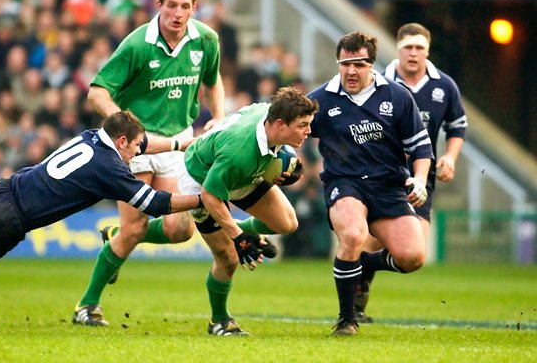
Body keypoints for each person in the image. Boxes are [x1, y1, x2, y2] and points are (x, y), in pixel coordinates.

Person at [73, 0, 225, 325]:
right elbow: (96, 93)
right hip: (136, 145)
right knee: (134, 228)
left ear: (193, 8)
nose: (178, 13)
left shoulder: (206, 39)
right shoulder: (138, 45)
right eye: (171, 5)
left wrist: (218, 116)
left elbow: (213, 82)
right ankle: (87, 305)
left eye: (185, 6)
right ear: (158, 5)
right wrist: (124, 127)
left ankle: (112, 236)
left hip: (179, 142)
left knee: (179, 230)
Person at [0, 110, 202, 293]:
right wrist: (200, 199)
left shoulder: (92, 135)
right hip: (4, 221)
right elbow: (154, 203)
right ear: (122, 141)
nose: (136, 153)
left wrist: (181, 144)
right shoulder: (109, 168)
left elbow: (144, 146)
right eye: (134, 146)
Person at [307, 31, 434, 336]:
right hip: (345, 182)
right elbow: (287, 129)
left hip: (388, 186)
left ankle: (366, 263)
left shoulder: (396, 95)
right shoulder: (320, 99)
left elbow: (421, 147)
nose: (351, 71)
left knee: (412, 258)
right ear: (339, 63)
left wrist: (418, 179)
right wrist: (288, 161)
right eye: (346, 64)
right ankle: (347, 319)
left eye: (359, 64)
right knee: (352, 234)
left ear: (372, 65)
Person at [178, 86, 318, 336]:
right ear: (280, 124)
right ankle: (219, 321)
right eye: (303, 125)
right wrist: (237, 238)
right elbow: (210, 195)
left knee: (286, 223)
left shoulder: (272, 115)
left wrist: (291, 169)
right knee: (228, 258)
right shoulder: (240, 153)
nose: (308, 131)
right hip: (201, 178)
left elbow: (271, 143)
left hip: (239, 171)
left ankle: (234, 231)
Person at [354, 23, 467, 322]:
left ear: (427, 51)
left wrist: (451, 157)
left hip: (421, 175)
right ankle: (354, 304)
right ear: (398, 49)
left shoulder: (444, 86)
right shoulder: (376, 81)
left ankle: (364, 265)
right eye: (407, 47)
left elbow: (457, 126)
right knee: (374, 238)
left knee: (414, 255)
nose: (413, 53)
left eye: (419, 47)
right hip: (381, 173)